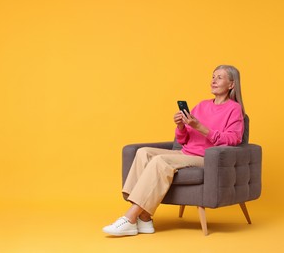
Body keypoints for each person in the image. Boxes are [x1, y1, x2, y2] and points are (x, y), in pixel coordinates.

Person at [103, 65, 245, 236]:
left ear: (231, 85)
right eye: (213, 76)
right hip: (186, 153)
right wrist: (181, 126)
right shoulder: (201, 106)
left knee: (160, 161)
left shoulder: (234, 109)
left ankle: (130, 218)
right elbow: (183, 139)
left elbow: (233, 139)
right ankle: (145, 218)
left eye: (219, 77)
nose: (213, 80)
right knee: (143, 152)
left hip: (206, 157)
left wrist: (200, 127)